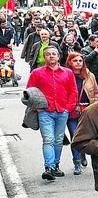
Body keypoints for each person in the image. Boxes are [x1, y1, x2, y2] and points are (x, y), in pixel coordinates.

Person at [27, 46, 77, 180]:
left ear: (58, 56)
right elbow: (29, 92)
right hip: (45, 111)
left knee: (58, 140)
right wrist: (37, 107)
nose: (51, 56)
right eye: (48, 54)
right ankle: (48, 167)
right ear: (44, 57)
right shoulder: (37, 73)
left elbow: (73, 91)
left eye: (54, 54)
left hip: (62, 111)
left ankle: (55, 165)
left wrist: (68, 108)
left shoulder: (67, 73)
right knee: (48, 139)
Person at [65, 51, 98, 175]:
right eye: (75, 61)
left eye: (80, 61)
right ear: (69, 62)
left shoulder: (89, 75)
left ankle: (84, 155)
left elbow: (96, 92)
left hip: (87, 111)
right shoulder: (65, 75)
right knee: (75, 136)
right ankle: (76, 162)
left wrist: (95, 106)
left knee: (89, 137)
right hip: (72, 111)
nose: (78, 63)